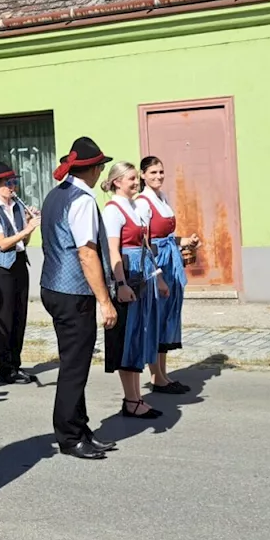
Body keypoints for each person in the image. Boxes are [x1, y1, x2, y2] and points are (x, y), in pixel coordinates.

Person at [40, 137, 119, 461]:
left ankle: (80, 426)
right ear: (96, 169)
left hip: (54, 287)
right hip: (74, 292)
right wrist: (105, 300)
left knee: (75, 363)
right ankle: (70, 436)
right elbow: (87, 253)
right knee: (74, 367)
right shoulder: (83, 200)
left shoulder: (55, 195)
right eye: (100, 166)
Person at [100, 162, 168, 420]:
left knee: (140, 337)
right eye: (130, 178)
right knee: (128, 339)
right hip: (128, 276)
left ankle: (136, 398)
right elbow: (113, 251)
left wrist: (158, 278)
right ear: (117, 181)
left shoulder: (136, 207)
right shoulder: (113, 211)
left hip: (142, 276)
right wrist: (121, 284)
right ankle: (131, 399)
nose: (135, 182)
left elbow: (145, 246)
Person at [135, 156, 198, 393]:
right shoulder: (143, 203)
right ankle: (156, 377)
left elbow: (169, 237)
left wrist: (186, 241)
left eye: (161, 172)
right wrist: (156, 273)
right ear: (143, 175)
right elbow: (144, 241)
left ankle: (163, 374)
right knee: (155, 317)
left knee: (167, 317)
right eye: (152, 173)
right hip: (156, 262)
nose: (158, 176)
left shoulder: (162, 198)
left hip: (169, 260)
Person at [0, 162, 40, 385]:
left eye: (14, 182)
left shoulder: (15, 207)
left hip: (19, 262)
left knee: (20, 315)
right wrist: (27, 228)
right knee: (5, 317)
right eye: (8, 183)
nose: (13, 187)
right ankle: (5, 369)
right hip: (2, 268)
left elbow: (23, 241)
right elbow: (2, 243)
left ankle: (16, 364)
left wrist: (30, 225)